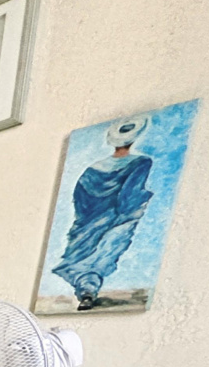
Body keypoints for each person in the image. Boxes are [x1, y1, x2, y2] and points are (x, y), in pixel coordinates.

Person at [51, 117, 154, 310]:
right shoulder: (140, 163)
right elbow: (130, 195)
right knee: (106, 252)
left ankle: (87, 291)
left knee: (84, 256)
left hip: (88, 222)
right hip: (117, 218)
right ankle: (88, 291)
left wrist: (86, 218)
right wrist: (141, 202)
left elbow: (80, 196)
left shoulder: (93, 169)